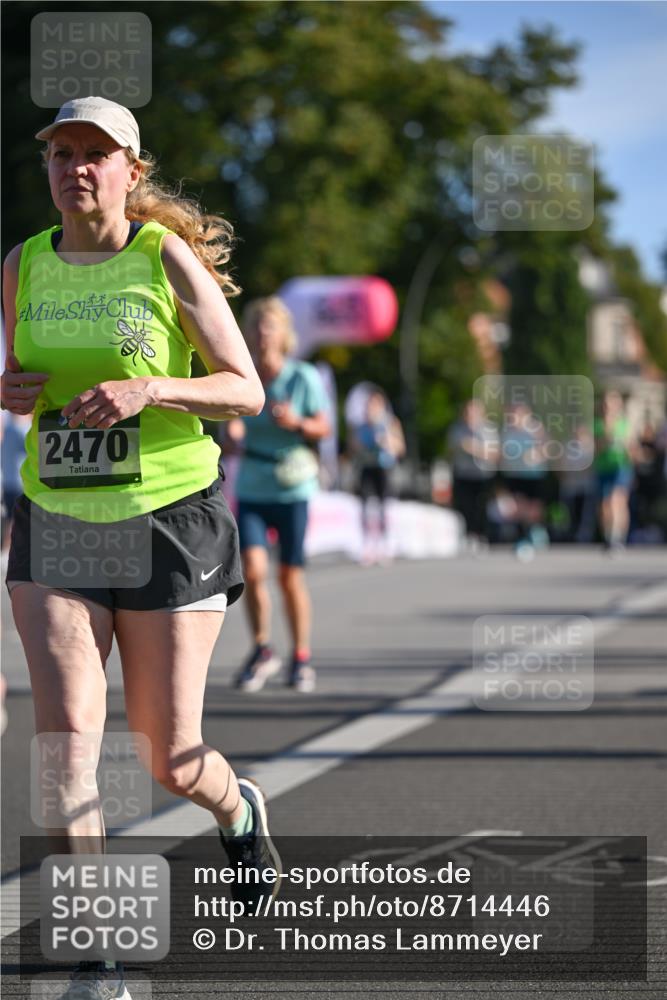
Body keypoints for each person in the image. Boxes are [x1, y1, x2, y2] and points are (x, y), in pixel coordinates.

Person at [1, 97, 280, 999]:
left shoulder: (163, 258)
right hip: (56, 518)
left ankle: (236, 808)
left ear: (131, 171)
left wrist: (149, 389)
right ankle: (99, 958)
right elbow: (21, 380)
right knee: (65, 747)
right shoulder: (22, 265)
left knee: (168, 755)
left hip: (168, 518)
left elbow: (244, 390)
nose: (75, 168)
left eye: (95, 154)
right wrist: (12, 389)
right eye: (61, 153)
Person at [230, 297, 330, 694]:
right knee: (253, 571)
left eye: (269, 326)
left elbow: (323, 427)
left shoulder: (302, 376)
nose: (261, 334)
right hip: (253, 484)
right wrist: (231, 433)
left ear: (284, 334)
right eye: (255, 325)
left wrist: (296, 422)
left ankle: (301, 656)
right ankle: (261, 649)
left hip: (292, 485)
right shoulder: (242, 375)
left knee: (289, 576)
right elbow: (230, 424)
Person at [349, 389, 405, 565]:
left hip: (384, 468)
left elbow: (400, 448)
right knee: (366, 506)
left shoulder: (391, 422)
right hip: (367, 467)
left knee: (385, 506)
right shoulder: (361, 426)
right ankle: (367, 545)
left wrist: (386, 441)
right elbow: (353, 448)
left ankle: (386, 543)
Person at [447, 399, 498, 548]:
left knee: (481, 507)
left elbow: (494, 454)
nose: (470, 415)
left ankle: (482, 535)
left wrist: (474, 448)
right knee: (464, 506)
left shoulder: (489, 430)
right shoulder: (457, 429)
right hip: (463, 474)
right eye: (468, 412)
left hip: (483, 475)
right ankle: (467, 535)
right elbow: (452, 450)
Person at [594, 390, 633, 552]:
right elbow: (595, 449)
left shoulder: (624, 424)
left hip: (621, 467)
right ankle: (607, 536)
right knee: (605, 504)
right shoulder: (597, 424)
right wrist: (606, 437)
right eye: (606, 404)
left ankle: (618, 538)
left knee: (617, 501)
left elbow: (631, 448)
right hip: (603, 467)